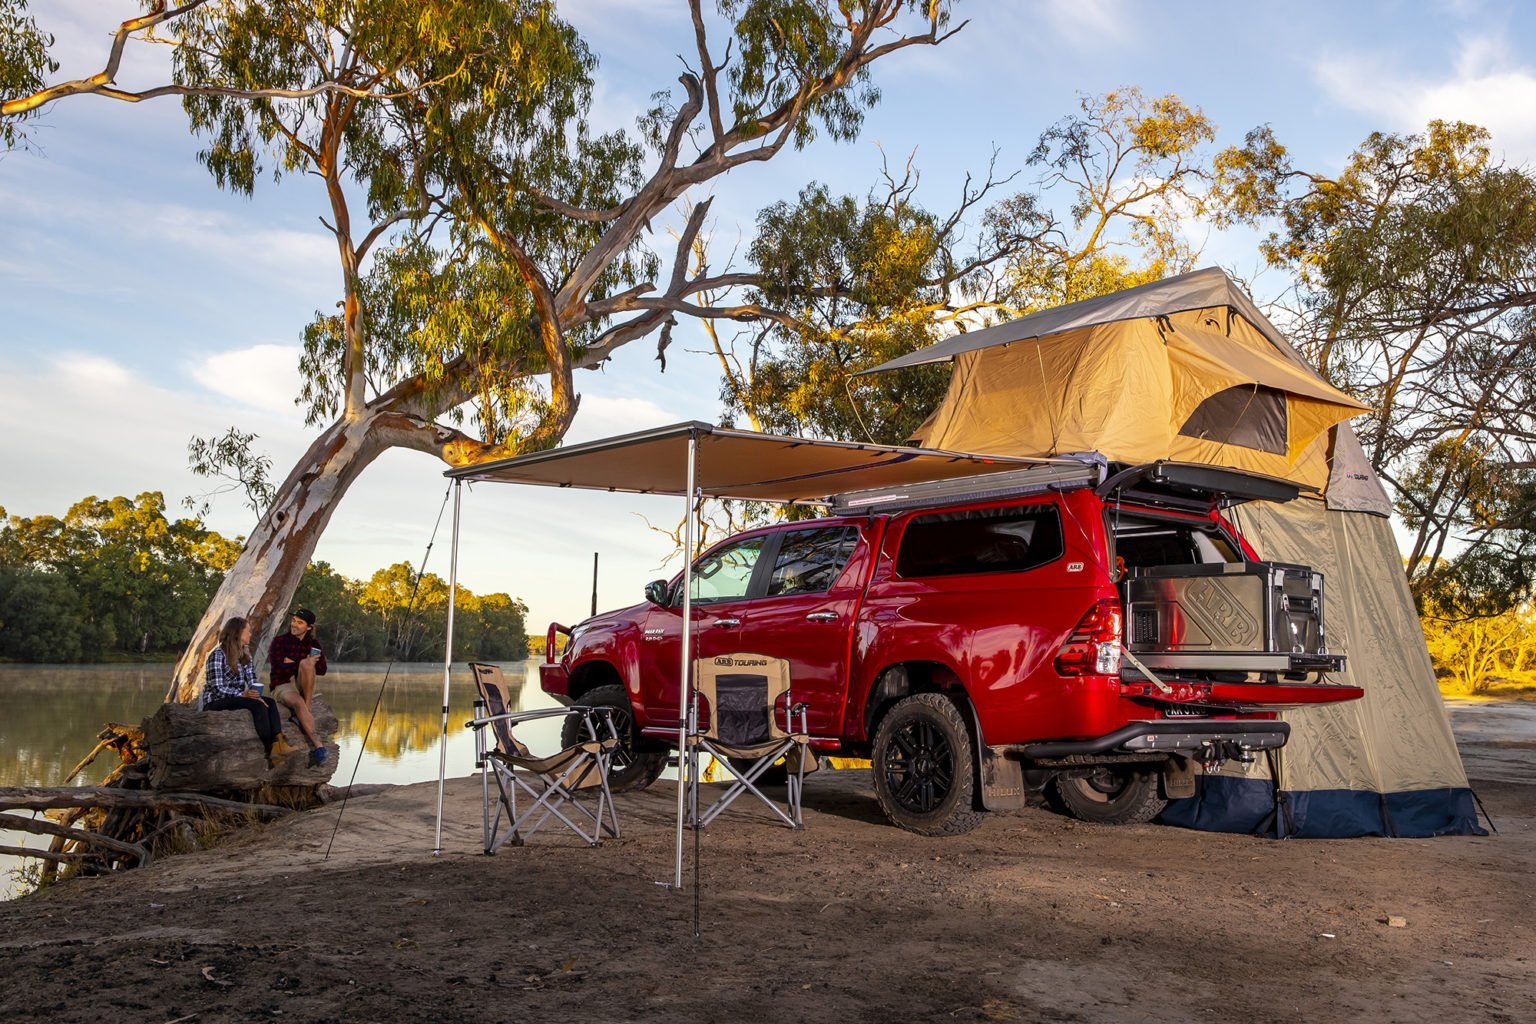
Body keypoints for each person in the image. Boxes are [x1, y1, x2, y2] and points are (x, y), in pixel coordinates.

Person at [202, 617, 289, 766]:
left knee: (269, 702)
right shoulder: (217, 655)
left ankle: (279, 743)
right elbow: (217, 689)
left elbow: (252, 680)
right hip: (215, 701)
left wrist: (256, 694)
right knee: (257, 706)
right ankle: (271, 750)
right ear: (237, 633)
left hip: (236, 697)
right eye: (247, 631)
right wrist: (244, 695)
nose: (250, 635)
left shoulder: (244, 656)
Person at [269, 607, 329, 767]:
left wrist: (306, 663)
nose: (294, 625)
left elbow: (322, 670)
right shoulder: (280, 642)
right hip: (282, 684)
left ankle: (305, 707)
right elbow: (277, 667)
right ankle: (319, 747)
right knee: (299, 700)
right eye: (294, 621)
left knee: (308, 663)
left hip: (303, 683)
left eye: (300, 622)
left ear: (309, 627)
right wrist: (300, 664)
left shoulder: (314, 644)